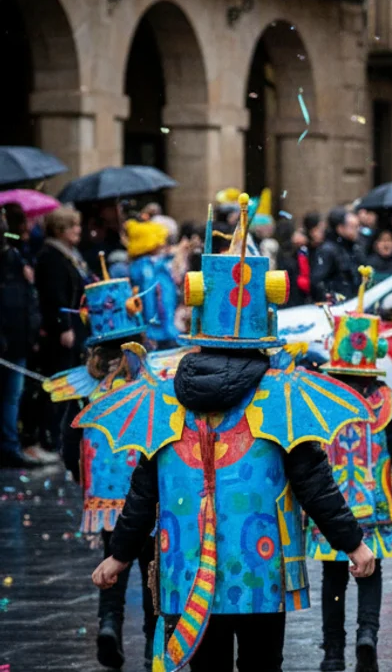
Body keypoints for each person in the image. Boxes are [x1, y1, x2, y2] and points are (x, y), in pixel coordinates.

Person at [86, 194, 377, 672]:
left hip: (184, 573)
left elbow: (143, 489)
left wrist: (118, 557)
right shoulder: (281, 400)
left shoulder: (161, 398)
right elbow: (313, 483)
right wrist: (353, 543)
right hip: (259, 575)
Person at [310, 267, 392, 672]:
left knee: (333, 579)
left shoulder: (321, 402)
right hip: (375, 509)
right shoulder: (384, 404)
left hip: (329, 510)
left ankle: (332, 653)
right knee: (370, 573)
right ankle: (367, 635)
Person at [44, 273, 154, 669]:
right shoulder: (152, 379)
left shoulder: (84, 384)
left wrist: (79, 477)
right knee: (150, 566)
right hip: (147, 488)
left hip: (105, 490)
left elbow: (68, 441)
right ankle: (151, 643)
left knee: (113, 559)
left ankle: (109, 622)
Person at [34, 207, 90, 459]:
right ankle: (49, 436)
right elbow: (54, 296)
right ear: (60, 230)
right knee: (59, 383)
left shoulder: (68, 254)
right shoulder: (51, 256)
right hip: (61, 332)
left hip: (74, 326)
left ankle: (60, 435)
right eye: (73, 226)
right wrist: (64, 326)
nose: (78, 230)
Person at [0, 209, 41, 469]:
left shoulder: (14, 250)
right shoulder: (9, 250)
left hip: (16, 336)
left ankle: (11, 443)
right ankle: (9, 445)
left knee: (13, 395)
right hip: (9, 335)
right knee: (10, 396)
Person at [125, 219, 180, 349]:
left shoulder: (151, 265)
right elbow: (149, 298)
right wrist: (152, 327)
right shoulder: (146, 268)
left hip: (164, 326)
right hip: (157, 329)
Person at [312, 206, 362, 303]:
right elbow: (317, 281)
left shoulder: (353, 248)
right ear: (340, 228)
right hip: (338, 306)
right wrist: (331, 297)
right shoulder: (328, 250)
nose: (357, 231)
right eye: (353, 227)